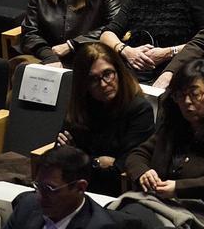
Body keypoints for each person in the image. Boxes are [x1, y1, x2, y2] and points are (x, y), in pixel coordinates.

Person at [118, 60, 204, 226]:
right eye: (180, 95)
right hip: (154, 203)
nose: (187, 102)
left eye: (195, 95)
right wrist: (144, 172)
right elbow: (138, 154)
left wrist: (178, 188)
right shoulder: (175, 123)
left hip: (196, 212)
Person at [55, 43, 154, 195]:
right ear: (84, 84)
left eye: (108, 74)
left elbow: (122, 167)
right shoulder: (81, 106)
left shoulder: (139, 110)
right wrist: (97, 162)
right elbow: (61, 156)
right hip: (75, 188)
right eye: (93, 79)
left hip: (116, 192)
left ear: (119, 71)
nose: (103, 84)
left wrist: (80, 157)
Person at [8, 146, 119, 229]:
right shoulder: (27, 205)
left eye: (49, 189)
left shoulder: (99, 226)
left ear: (80, 187)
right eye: (38, 186)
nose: (40, 196)